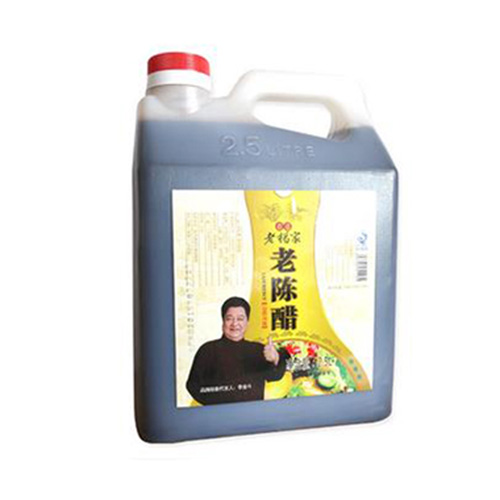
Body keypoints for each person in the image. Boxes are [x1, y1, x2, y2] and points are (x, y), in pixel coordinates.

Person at [186, 297, 289, 405]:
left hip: (253, 412)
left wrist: (275, 359)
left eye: (240, 319)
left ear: (247, 322)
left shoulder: (258, 350)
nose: (234, 324)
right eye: (229, 318)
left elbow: (275, 376)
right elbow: (193, 385)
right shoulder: (207, 350)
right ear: (223, 321)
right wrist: (217, 404)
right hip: (218, 413)